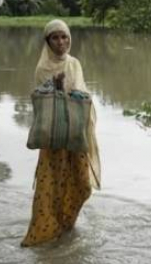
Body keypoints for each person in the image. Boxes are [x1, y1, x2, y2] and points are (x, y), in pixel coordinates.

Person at [21, 19, 101, 247]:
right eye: (55, 38)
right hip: (54, 138)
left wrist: (78, 95)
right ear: (48, 42)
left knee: (81, 185)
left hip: (75, 135)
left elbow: (82, 93)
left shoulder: (74, 64)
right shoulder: (42, 68)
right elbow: (40, 102)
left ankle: (65, 225)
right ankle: (45, 230)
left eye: (64, 37)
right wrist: (54, 87)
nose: (60, 42)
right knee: (51, 186)